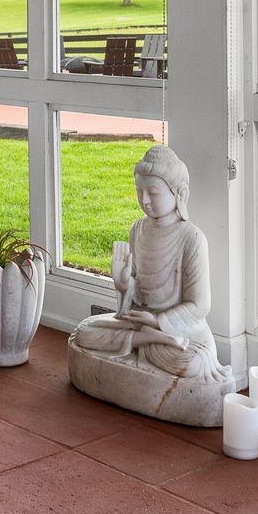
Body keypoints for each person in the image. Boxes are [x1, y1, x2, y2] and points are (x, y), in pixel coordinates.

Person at [72, 144, 226, 382]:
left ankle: (145, 341)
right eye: (139, 190)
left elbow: (199, 305)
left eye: (152, 192)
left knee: (194, 363)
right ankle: (147, 340)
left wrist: (158, 321)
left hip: (177, 327)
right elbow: (136, 289)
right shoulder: (138, 229)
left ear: (180, 194)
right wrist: (124, 283)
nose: (144, 200)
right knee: (84, 332)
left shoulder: (192, 238)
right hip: (138, 321)